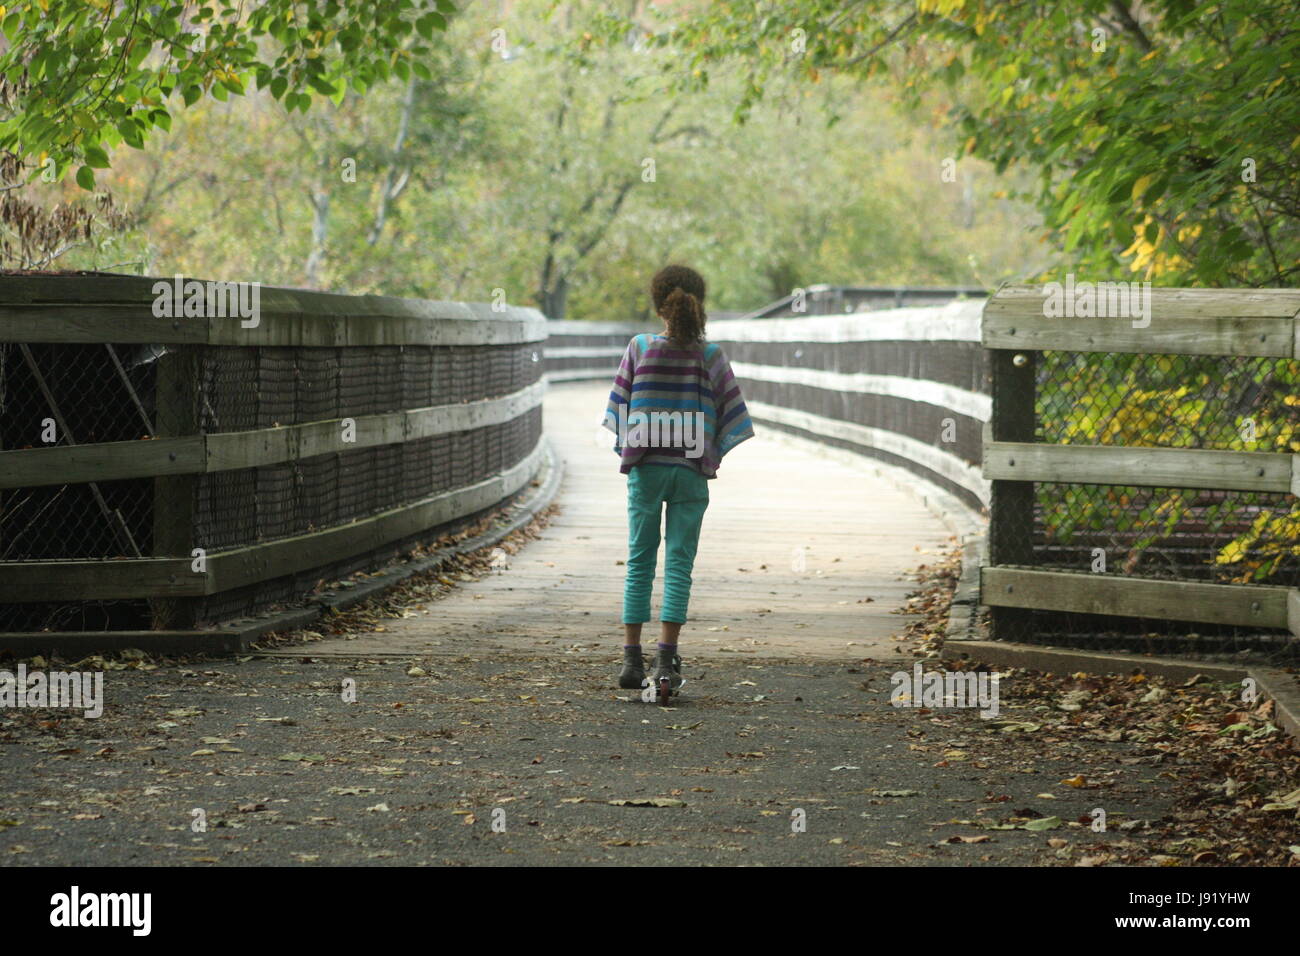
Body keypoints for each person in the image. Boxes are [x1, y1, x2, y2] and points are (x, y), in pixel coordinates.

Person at [601, 264, 754, 697]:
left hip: (646, 471)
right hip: (689, 473)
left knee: (639, 560)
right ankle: (666, 656)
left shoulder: (640, 347)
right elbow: (732, 417)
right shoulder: (711, 356)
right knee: (679, 564)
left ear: (657, 303)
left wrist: (630, 451)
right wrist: (709, 454)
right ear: (699, 302)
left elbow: (618, 411)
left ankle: (631, 659)